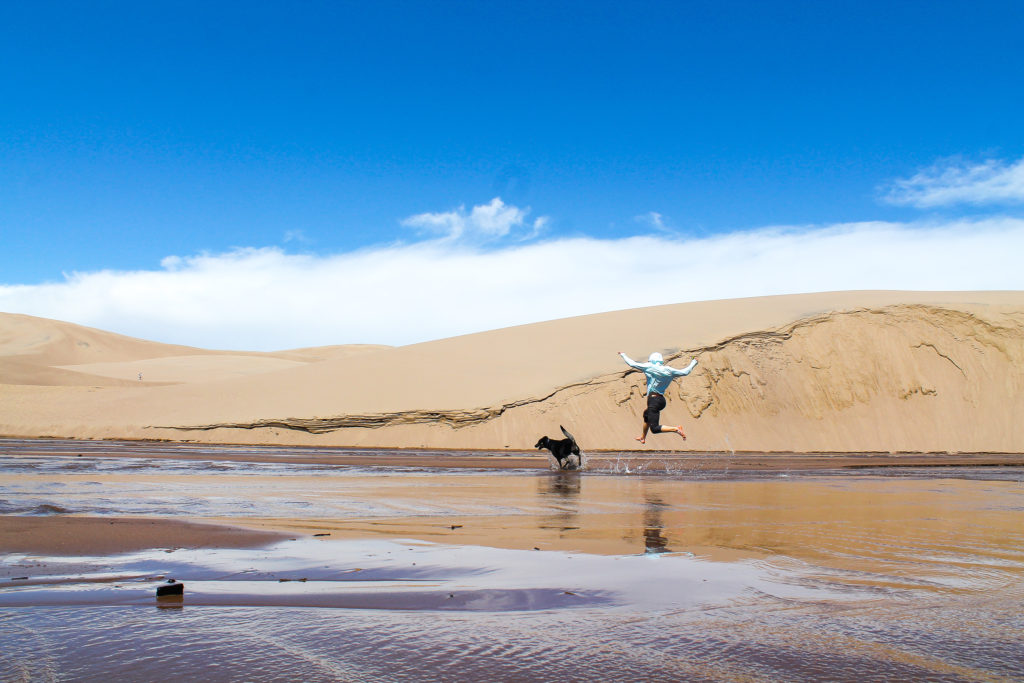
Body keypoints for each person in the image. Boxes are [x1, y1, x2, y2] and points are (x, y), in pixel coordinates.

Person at [618, 351, 698, 444]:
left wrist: (623, 354)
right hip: (660, 400)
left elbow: (632, 363)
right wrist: (694, 362)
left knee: (654, 429)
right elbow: (685, 372)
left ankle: (676, 429)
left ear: (651, 360)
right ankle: (643, 437)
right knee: (646, 415)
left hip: (654, 400)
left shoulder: (650, 367)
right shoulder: (669, 370)